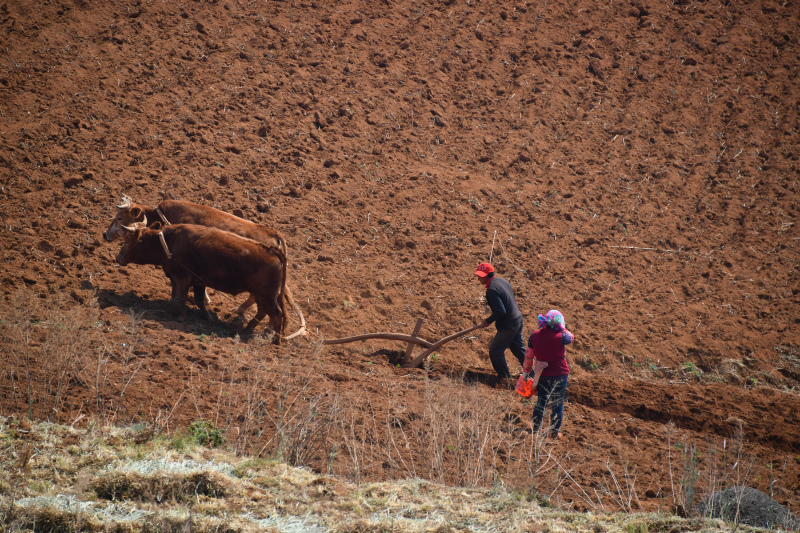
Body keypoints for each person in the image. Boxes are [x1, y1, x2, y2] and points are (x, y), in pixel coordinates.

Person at [522, 309, 574, 439]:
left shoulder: (534, 335)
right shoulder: (562, 337)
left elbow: (529, 356)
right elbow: (571, 336)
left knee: (541, 401)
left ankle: (536, 429)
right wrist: (562, 329)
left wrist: (526, 372)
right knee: (557, 403)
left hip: (542, 375)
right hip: (560, 374)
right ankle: (554, 432)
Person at [474, 262, 526, 388]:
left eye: (480, 276)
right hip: (518, 319)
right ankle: (533, 376)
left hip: (509, 324)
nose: (478, 278)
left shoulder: (491, 290)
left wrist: (488, 321)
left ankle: (505, 379)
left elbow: (500, 311)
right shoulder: (502, 281)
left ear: (487, 275)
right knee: (518, 350)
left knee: (495, 351)